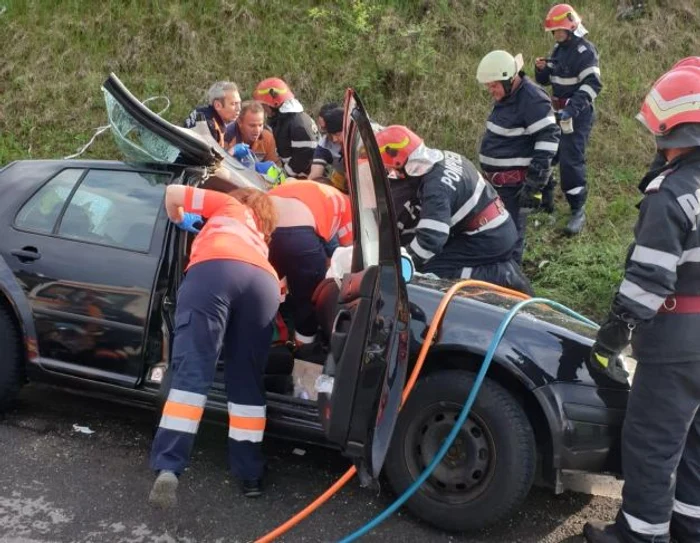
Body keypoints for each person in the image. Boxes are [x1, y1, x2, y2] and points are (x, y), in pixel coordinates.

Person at [583, 65, 700, 543]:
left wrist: (614, 333)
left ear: (673, 129)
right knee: (693, 442)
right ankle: (689, 524)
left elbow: (648, 277)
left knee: (652, 443)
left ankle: (639, 535)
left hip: (676, 344)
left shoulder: (671, 194)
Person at [148, 184, 280, 504]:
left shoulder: (227, 206)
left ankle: (169, 466)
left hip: (216, 268)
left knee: (193, 372)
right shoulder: (259, 238)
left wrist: (180, 219)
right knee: (246, 381)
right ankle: (250, 475)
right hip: (265, 281)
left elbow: (171, 194)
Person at [375, 125, 533, 294]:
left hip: (487, 238)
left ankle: (499, 275)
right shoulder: (442, 158)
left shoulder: (436, 189)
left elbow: (431, 240)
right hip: (497, 226)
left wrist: (405, 263)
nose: (393, 175)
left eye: (392, 170)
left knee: (432, 271)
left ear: (401, 161)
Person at [476, 49, 561, 263]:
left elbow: (548, 140)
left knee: (510, 242)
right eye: (488, 85)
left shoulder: (532, 99)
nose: (490, 90)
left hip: (515, 188)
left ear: (509, 79)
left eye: (493, 85)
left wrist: (534, 185)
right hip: (496, 185)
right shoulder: (508, 95)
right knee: (495, 236)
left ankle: (510, 288)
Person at [535, 4, 602, 235]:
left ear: (572, 27)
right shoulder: (558, 49)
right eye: (554, 31)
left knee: (571, 160)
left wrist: (571, 110)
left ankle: (577, 209)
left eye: (559, 30)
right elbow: (549, 80)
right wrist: (542, 69)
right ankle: (545, 201)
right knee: (547, 152)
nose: (556, 34)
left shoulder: (585, 51)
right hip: (557, 112)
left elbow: (593, 84)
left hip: (578, 115)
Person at [267, 180, 352, 348]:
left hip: (265, 228)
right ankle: (302, 348)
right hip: (301, 237)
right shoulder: (346, 205)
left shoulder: (302, 187)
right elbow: (346, 255)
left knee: (269, 287)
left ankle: (270, 339)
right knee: (308, 299)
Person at [253, 78, 319, 178]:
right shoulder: (282, 120)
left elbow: (304, 156)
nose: (263, 108)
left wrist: (284, 173)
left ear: (274, 104)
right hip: (294, 176)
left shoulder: (298, 124)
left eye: (264, 105)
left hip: (305, 179)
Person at [183, 81, 242, 148]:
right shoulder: (209, 126)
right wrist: (232, 152)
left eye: (239, 103)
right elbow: (207, 157)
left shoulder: (202, 113)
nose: (239, 109)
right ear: (217, 105)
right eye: (233, 104)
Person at [225, 101, 280, 165]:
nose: (257, 130)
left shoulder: (267, 138)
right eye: (252, 125)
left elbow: (276, 165)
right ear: (240, 122)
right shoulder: (227, 136)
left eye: (260, 125)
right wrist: (231, 153)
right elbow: (219, 164)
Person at [309, 104, 347, 192]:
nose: (323, 132)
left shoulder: (360, 135)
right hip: (341, 178)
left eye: (325, 128)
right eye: (321, 128)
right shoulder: (323, 147)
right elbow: (314, 176)